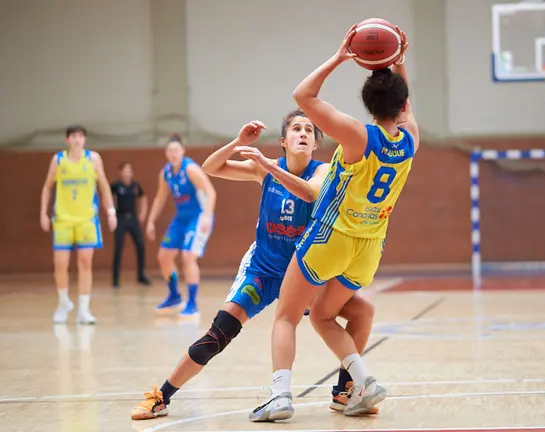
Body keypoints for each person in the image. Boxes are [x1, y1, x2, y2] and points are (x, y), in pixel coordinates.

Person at [131, 112, 377, 420]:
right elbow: (211, 168)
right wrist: (239, 143)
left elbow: (308, 191)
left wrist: (268, 166)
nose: (302, 133)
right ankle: (162, 396)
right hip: (262, 269)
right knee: (219, 333)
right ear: (284, 141)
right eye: (295, 129)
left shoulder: (324, 170)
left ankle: (344, 391)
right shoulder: (265, 169)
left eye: (309, 130)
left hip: (304, 272)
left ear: (316, 143)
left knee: (362, 311)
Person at [250, 26, 416, 420]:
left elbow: (302, 95)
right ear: (403, 104)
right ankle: (363, 380)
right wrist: (399, 62)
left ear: (366, 103)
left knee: (288, 315)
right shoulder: (410, 140)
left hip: (332, 238)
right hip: (370, 248)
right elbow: (405, 106)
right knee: (325, 316)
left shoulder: (358, 136)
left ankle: (280, 396)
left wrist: (342, 56)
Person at [40, 125, 118, 324]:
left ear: (84, 140)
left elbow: (104, 185)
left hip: (87, 220)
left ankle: (84, 309)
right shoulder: (58, 160)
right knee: (60, 264)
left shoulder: (93, 159)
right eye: (73, 136)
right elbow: (48, 187)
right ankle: (63, 302)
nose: (77, 139)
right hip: (63, 219)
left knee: (85, 262)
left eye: (81, 136)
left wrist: (110, 211)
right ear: (67, 140)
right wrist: (43, 213)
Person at [145, 135, 217, 318]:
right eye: (170, 151)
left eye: (176, 150)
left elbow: (211, 192)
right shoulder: (166, 173)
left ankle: (192, 303)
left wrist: (207, 216)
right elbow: (160, 198)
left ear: (182, 151)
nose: (173, 154)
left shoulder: (190, 169)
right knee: (164, 256)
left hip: (198, 216)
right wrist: (151, 220)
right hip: (181, 218)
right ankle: (174, 296)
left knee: (187, 256)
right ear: (166, 153)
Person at [111, 161, 150, 287]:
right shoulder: (116, 186)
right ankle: (115, 279)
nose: (128, 172)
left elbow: (143, 197)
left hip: (133, 219)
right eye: (125, 170)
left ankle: (141, 276)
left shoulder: (135, 186)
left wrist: (143, 212)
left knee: (140, 246)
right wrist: (111, 213)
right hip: (120, 219)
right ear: (120, 172)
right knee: (118, 248)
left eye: (129, 170)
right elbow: (108, 197)